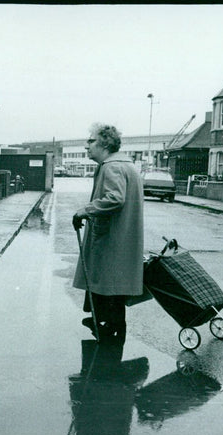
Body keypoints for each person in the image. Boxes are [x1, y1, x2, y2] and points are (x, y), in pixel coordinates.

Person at [72, 124, 144, 343]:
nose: (87, 145)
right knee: (115, 289)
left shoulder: (111, 167)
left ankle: (108, 337)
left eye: (91, 141)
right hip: (122, 239)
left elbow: (115, 198)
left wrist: (85, 210)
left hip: (112, 239)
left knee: (106, 283)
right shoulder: (126, 165)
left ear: (104, 143)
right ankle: (111, 330)